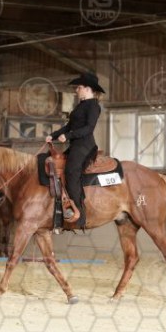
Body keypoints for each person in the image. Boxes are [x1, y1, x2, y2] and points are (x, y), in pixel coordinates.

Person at [46, 72, 104, 228]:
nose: (76, 90)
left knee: (71, 172)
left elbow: (88, 128)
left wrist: (68, 136)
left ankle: (79, 214)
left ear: (87, 89)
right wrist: (53, 135)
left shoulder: (94, 106)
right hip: (75, 145)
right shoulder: (80, 106)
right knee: (52, 162)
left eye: (79, 87)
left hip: (85, 146)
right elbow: (68, 126)